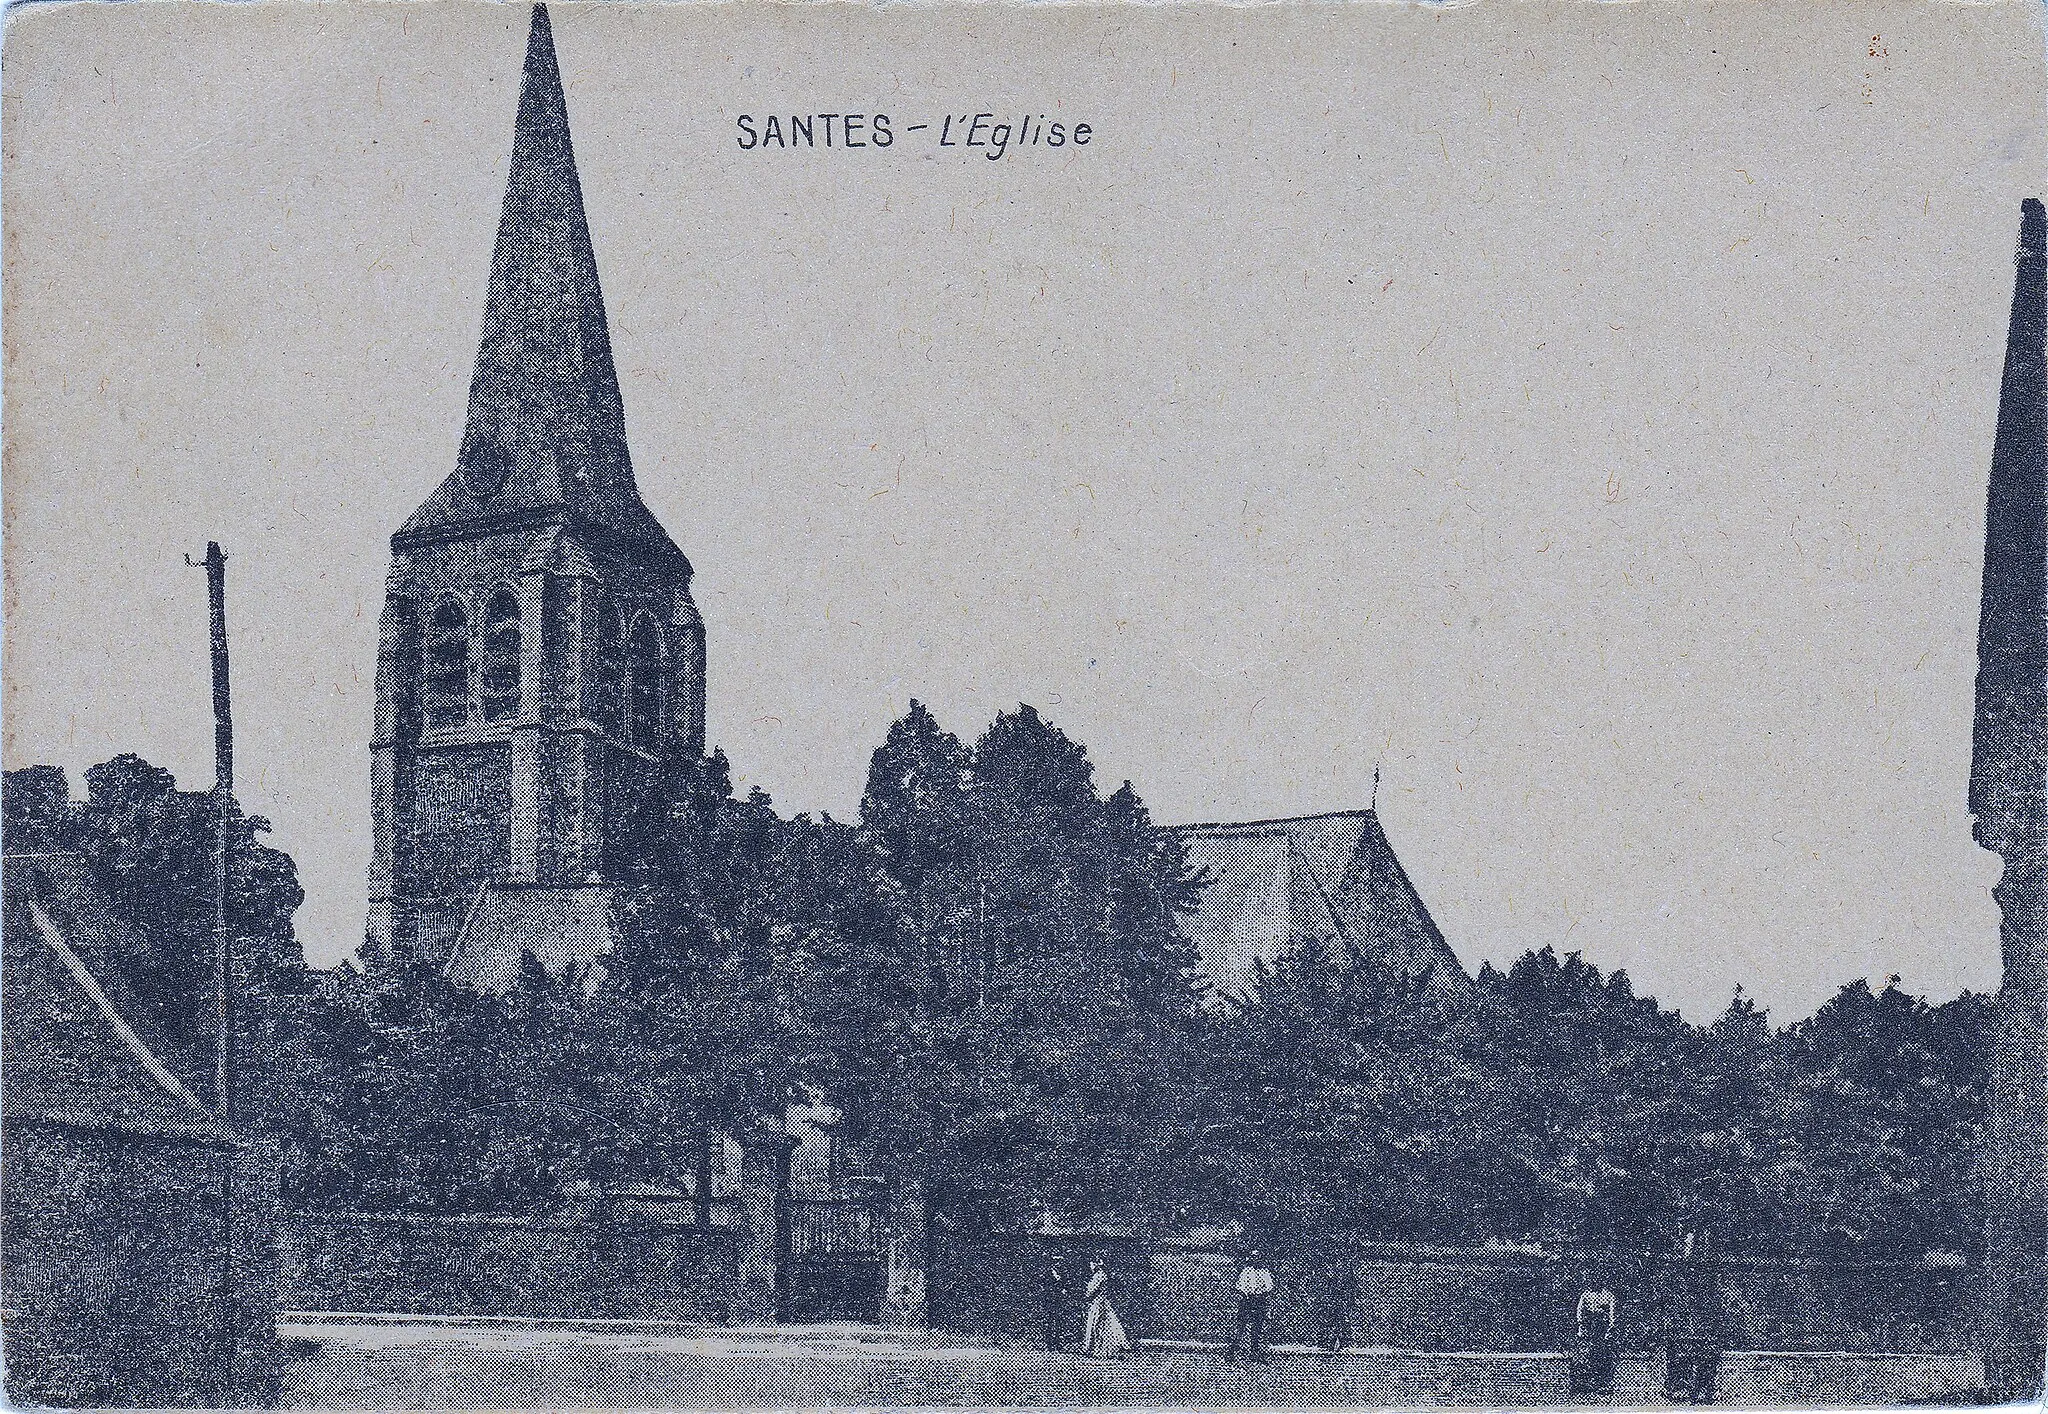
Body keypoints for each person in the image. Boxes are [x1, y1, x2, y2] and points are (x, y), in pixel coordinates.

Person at [1572, 1277, 1619, 1400]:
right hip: (1589, 1328)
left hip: (1602, 1329)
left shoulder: (1607, 1295)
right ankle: (1586, 1383)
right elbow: (1580, 1312)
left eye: (1597, 1281)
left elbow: (1612, 1313)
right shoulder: (1586, 1295)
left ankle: (1603, 1383)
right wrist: (1582, 1328)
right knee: (1587, 1355)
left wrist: (1610, 1329)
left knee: (1604, 1355)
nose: (1595, 1283)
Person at [1225, 1251, 1275, 1363]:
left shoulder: (1264, 1272)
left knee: (1257, 1328)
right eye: (1253, 1257)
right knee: (1241, 1327)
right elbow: (1240, 1287)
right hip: (1247, 1301)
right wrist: (1247, 1295)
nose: (1255, 1259)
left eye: (1257, 1257)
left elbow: (1269, 1288)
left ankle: (1255, 1353)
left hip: (1259, 1301)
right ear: (1250, 1258)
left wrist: (1262, 1298)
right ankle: (1233, 1352)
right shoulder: (1246, 1271)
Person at [1081, 1255, 1132, 1358]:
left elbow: (1090, 1291)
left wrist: (1085, 1295)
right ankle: (1098, 1348)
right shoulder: (1101, 1275)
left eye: (1091, 1263)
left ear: (1096, 1264)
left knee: (1097, 1325)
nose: (1090, 1266)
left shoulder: (1099, 1276)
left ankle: (1099, 1350)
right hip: (1100, 1301)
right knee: (1101, 1324)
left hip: (1098, 1303)